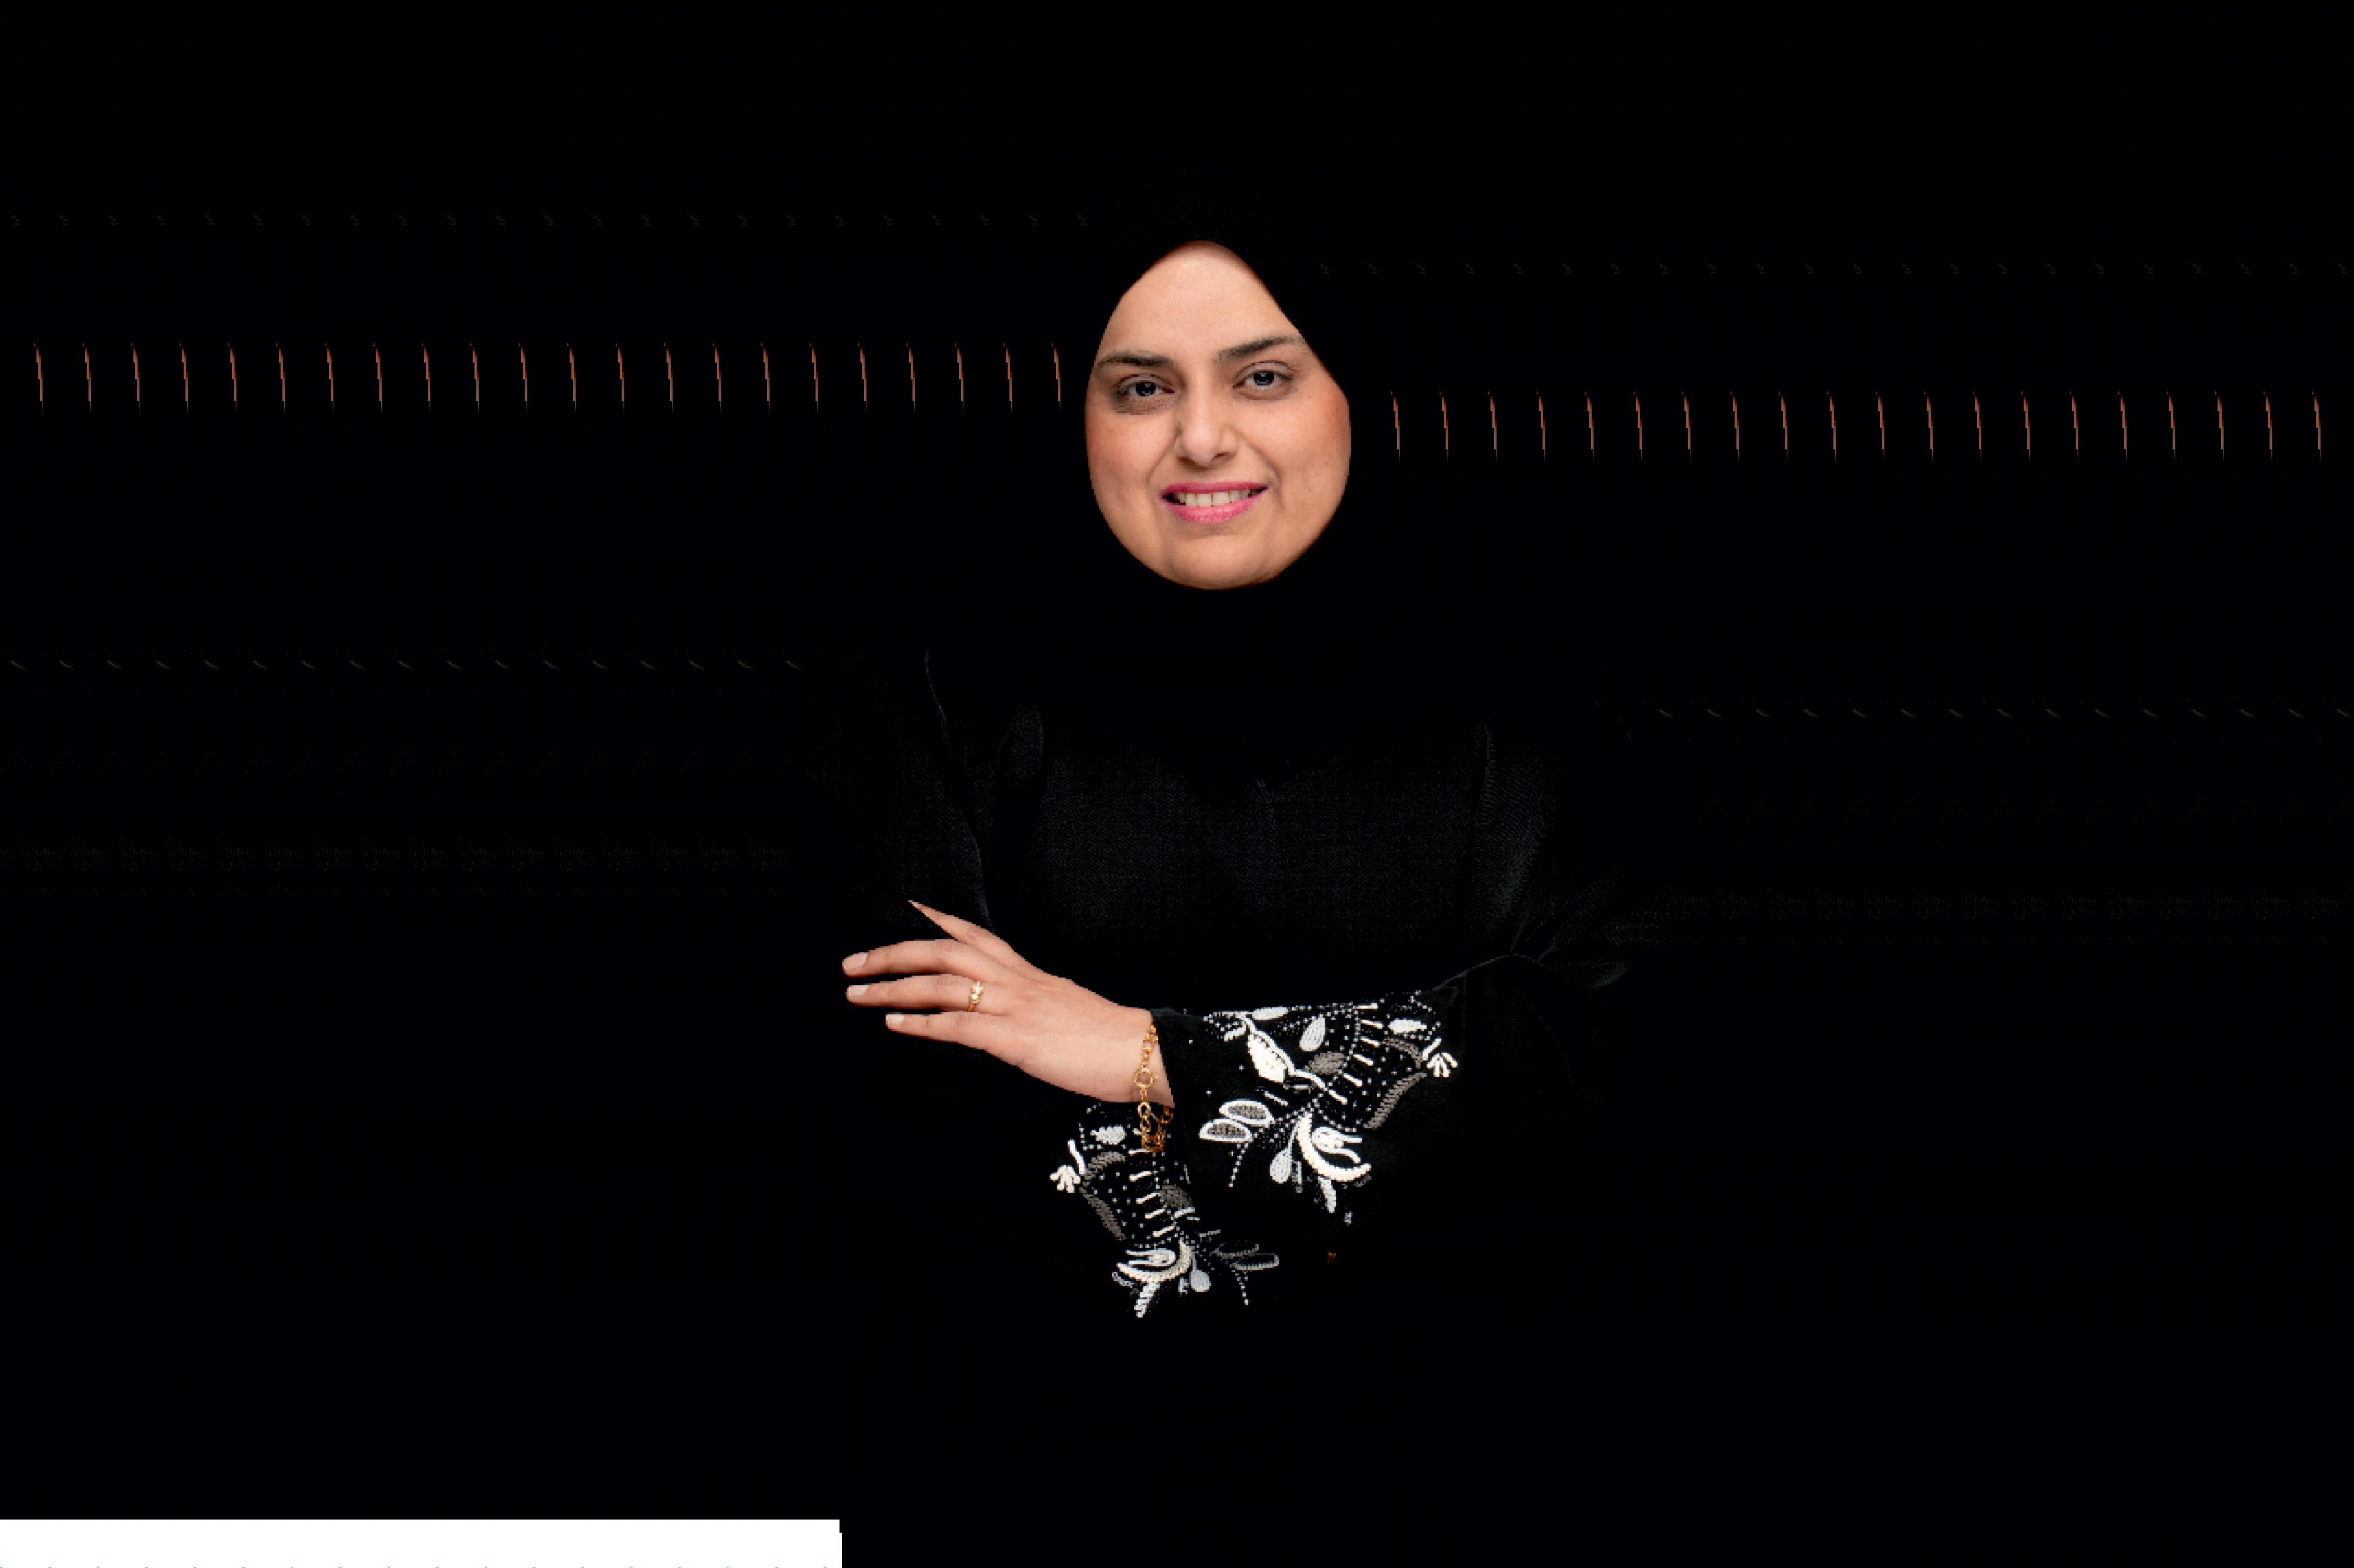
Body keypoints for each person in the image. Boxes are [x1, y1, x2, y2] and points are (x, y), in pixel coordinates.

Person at [812, 195, 1689, 1529]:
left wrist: (1135, 1050)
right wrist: (1416, 1096)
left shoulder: (1537, 720)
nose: (1202, 437)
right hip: (1040, 1475)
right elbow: (918, 1107)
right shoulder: (939, 704)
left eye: (1262, 377)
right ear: (1076, 412)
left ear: (1355, 397)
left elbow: (1601, 1070)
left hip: (1473, 1471)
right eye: (1140, 387)